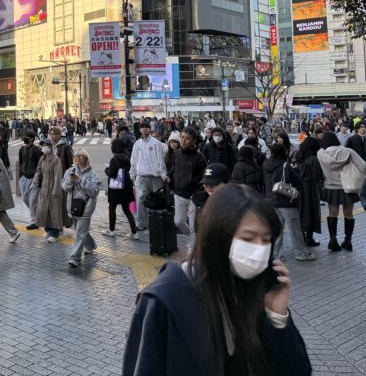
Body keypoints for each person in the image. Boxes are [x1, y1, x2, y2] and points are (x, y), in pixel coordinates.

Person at [122, 183, 312, 376]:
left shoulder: (256, 292)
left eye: (266, 240)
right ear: (218, 236)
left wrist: (277, 317)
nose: (259, 249)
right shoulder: (166, 298)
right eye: (248, 238)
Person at [263, 143, 314, 262]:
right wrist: (295, 169)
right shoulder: (285, 165)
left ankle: (276, 255)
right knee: (294, 229)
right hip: (285, 201)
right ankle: (301, 253)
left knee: (276, 229)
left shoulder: (265, 164)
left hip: (270, 200)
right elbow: (297, 181)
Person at [317, 132, 365, 252]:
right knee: (348, 214)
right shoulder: (348, 151)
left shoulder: (321, 153)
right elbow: (363, 166)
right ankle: (347, 241)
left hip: (330, 187)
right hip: (348, 187)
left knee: (332, 213)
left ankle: (333, 241)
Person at [167, 128, 206, 248]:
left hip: (193, 196)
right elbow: (174, 168)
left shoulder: (200, 157)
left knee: (194, 227)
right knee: (178, 221)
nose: (183, 141)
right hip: (178, 193)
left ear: (194, 141)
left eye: (187, 138)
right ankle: (192, 238)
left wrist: (197, 191)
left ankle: (192, 248)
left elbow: (203, 178)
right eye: (182, 137)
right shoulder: (176, 153)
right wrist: (168, 176)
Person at [62, 150, 100, 267]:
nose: (78, 158)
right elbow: (64, 187)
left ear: (86, 158)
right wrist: (70, 181)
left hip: (86, 207)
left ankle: (75, 258)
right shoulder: (70, 171)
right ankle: (90, 245)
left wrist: (81, 181)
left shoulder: (93, 174)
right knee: (81, 231)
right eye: (76, 156)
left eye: (81, 156)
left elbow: (94, 191)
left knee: (80, 233)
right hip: (72, 206)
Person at [130, 121, 168, 231]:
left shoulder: (156, 143)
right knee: (141, 199)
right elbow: (133, 160)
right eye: (142, 127)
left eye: (146, 127)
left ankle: (159, 221)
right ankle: (141, 223)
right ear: (140, 130)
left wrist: (163, 175)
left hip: (155, 176)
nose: (144, 129)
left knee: (157, 199)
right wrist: (132, 174)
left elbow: (160, 160)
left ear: (149, 129)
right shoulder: (137, 144)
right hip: (141, 176)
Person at [34, 138, 69, 243]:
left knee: (54, 212)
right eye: (42, 145)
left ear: (50, 146)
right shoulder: (42, 158)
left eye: (46, 145)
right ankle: (48, 229)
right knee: (44, 210)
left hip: (54, 187)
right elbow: (38, 171)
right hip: (44, 188)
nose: (43, 147)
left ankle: (55, 233)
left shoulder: (56, 159)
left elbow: (58, 176)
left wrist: (55, 190)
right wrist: (36, 180)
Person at [103, 138, 138, 238]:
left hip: (116, 189)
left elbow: (112, 173)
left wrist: (107, 169)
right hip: (126, 187)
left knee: (112, 208)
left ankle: (112, 230)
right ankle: (134, 232)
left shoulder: (114, 159)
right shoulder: (126, 157)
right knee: (127, 210)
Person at [293, 136, 323, 248]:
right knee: (311, 212)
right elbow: (318, 176)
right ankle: (309, 238)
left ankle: (303, 237)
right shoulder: (313, 160)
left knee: (301, 212)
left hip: (299, 188)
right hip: (310, 189)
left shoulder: (298, 156)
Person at [17, 131, 42, 230]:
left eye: (28, 137)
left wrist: (38, 178)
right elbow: (20, 162)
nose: (25, 138)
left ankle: (34, 222)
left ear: (32, 138)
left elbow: (40, 165)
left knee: (33, 201)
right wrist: (20, 176)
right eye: (25, 136)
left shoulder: (37, 150)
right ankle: (37, 215)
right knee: (25, 199)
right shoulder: (22, 149)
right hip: (24, 177)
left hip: (34, 178)